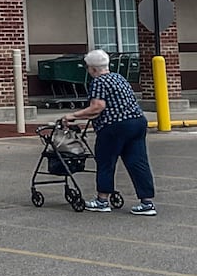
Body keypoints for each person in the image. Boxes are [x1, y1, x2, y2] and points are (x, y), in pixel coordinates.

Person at [64, 49, 156, 216]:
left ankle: (102, 199)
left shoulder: (98, 82)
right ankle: (146, 202)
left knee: (106, 161)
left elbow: (97, 107)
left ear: (92, 68)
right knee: (138, 162)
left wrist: (73, 115)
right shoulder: (119, 78)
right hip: (137, 122)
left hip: (114, 126)